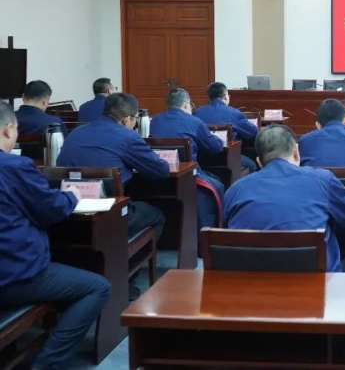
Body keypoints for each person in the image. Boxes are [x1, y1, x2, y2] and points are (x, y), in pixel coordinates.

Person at [0, 101, 111, 369]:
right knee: (97, 287)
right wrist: (71, 196)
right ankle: (49, 364)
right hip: (13, 275)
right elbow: (50, 209)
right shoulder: (13, 167)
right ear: (8, 129)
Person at [57, 93, 168, 298]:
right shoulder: (127, 136)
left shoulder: (76, 133)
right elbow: (161, 171)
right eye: (135, 119)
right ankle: (125, 279)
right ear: (127, 119)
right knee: (156, 215)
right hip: (108, 217)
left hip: (68, 217)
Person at [224, 125, 345, 272]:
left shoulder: (235, 190)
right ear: (296, 151)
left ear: (259, 161)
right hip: (318, 284)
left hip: (250, 283)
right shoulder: (322, 180)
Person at [150, 88, 226, 243]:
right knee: (217, 185)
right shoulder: (194, 121)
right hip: (189, 176)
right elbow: (215, 147)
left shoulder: (155, 120)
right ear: (186, 104)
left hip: (159, 177)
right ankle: (212, 237)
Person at [193, 82, 259, 173]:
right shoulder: (234, 113)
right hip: (226, 158)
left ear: (209, 98)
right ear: (225, 97)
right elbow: (253, 132)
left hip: (202, 159)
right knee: (252, 165)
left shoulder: (197, 112)